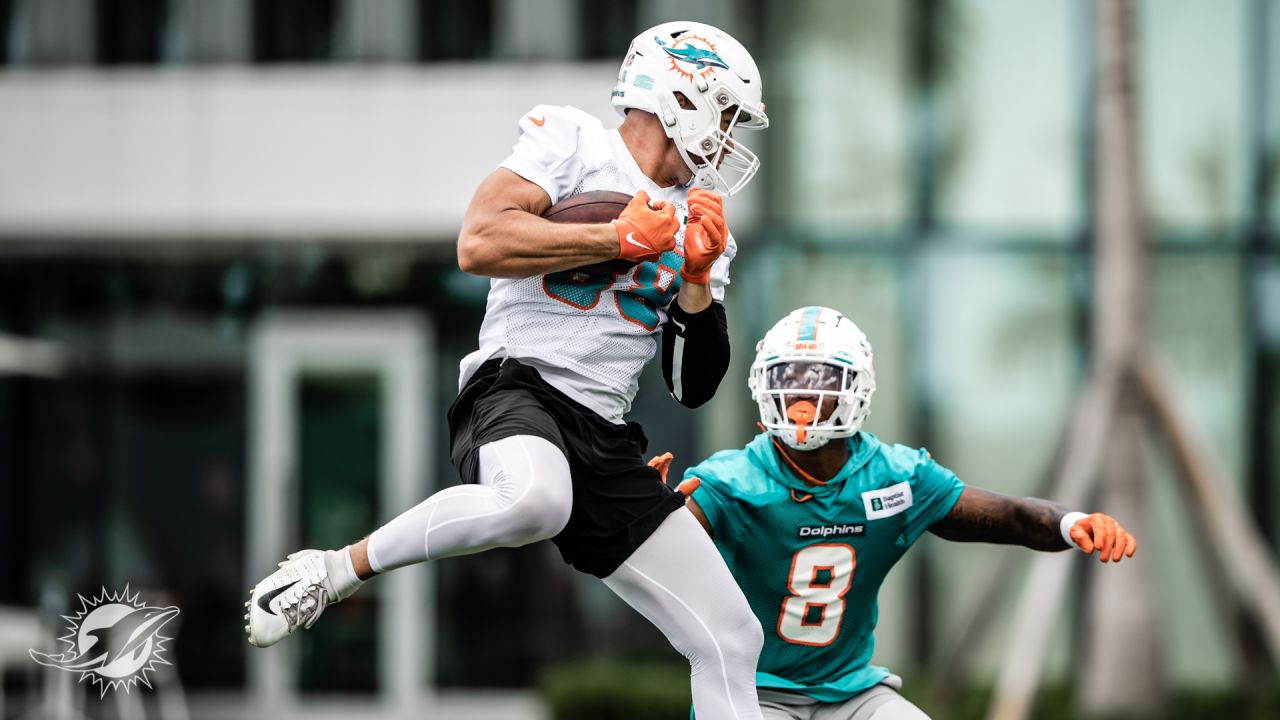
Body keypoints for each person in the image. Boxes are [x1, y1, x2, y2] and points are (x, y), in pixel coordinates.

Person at [244, 21, 770, 720]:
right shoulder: (573, 141)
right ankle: (336, 569)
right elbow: (480, 240)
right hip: (518, 386)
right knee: (535, 499)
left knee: (732, 636)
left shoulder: (706, 222)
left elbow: (691, 385)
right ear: (683, 94)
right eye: (727, 115)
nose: (730, 138)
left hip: (605, 434)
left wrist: (698, 282)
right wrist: (615, 237)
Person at [648, 306, 1137, 720]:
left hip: (852, 691)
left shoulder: (896, 477)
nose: (801, 396)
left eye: (819, 378)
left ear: (855, 387)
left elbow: (1007, 515)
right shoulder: (732, 481)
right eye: (788, 378)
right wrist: (649, 512)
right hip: (753, 691)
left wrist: (1074, 524)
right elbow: (663, 558)